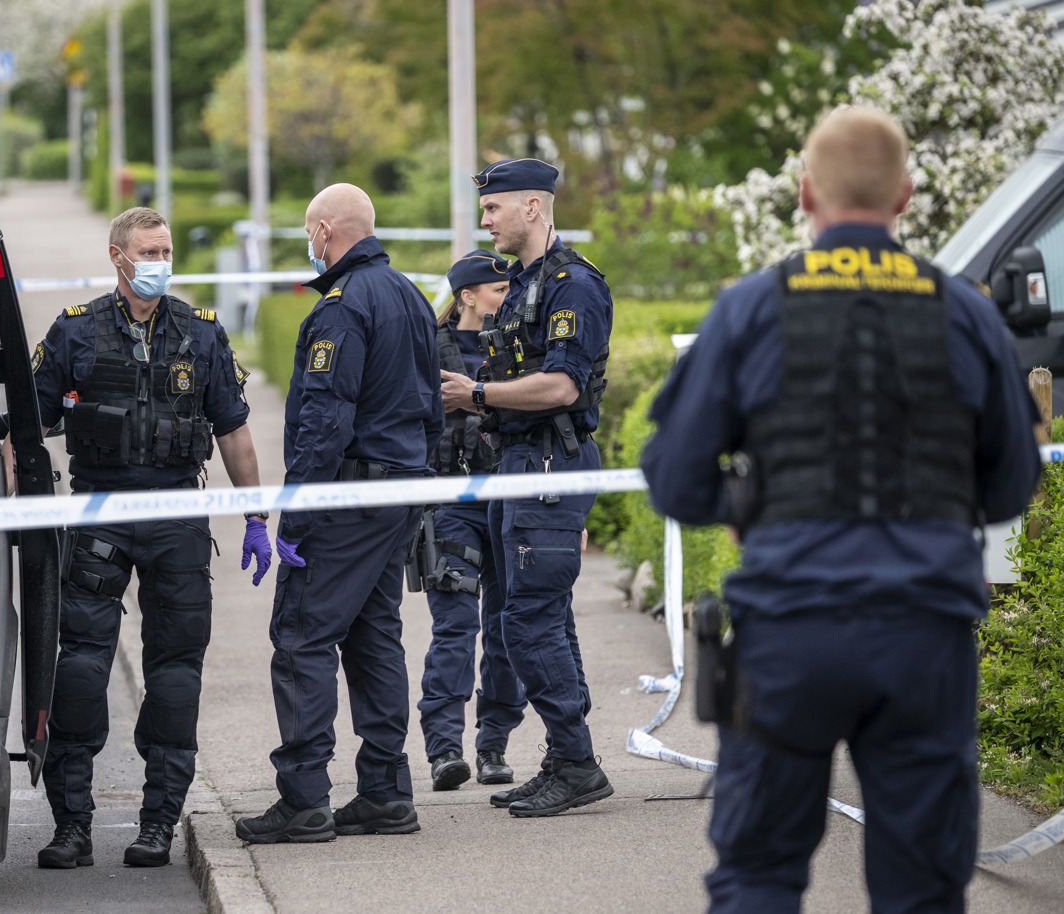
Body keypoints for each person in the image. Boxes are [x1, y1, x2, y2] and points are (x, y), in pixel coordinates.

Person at [640, 107, 1041, 913]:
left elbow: (673, 477)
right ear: (907, 195)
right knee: (924, 887)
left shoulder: (752, 308)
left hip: (787, 632)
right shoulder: (964, 313)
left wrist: (746, 508)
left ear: (803, 193)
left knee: (758, 876)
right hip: (925, 637)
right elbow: (1010, 487)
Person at [27, 207, 272, 869]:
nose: (161, 259)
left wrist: (255, 517)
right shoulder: (75, 333)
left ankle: (158, 822)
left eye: (166, 249)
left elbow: (233, 431)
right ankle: (72, 826)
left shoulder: (202, 334)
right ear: (117, 256)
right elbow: (25, 429)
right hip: (99, 513)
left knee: (174, 675)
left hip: (175, 519)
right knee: (78, 667)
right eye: (149, 250)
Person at [235, 183, 443, 843]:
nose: (309, 240)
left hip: (348, 496)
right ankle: (384, 792)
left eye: (308, 229)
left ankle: (304, 799)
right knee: (375, 637)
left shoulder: (340, 305)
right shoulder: (410, 294)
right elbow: (433, 402)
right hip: (398, 492)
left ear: (326, 230)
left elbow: (325, 422)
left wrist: (296, 514)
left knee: (301, 638)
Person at [440, 158, 615, 817]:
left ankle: (575, 760)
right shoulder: (526, 286)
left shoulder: (572, 286)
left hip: (549, 465)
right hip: (520, 463)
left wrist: (477, 392)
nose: (485, 221)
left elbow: (563, 387)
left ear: (534, 208)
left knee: (528, 618)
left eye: (494, 209)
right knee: (540, 615)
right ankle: (565, 758)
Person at [418, 250, 526, 791]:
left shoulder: (521, 347)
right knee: (455, 628)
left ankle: (494, 745)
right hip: (449, 505)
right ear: (466, 296)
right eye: (499, 292)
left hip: (510, 504)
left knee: (506, 630)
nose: (509, 301)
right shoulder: (427, 350)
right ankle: (443, 750)